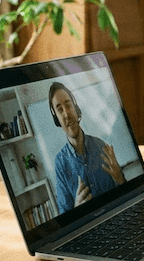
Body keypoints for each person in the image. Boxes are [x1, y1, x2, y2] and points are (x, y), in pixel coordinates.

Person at [49, 81, 125, 214]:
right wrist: (77, 208)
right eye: (60, 109)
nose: (66, 114)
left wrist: (121, 179)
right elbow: (65, 217)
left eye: (68, 105)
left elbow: (125, 195)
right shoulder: (60, 163)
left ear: (76, 108)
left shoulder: (101, 145)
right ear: (57, 119)